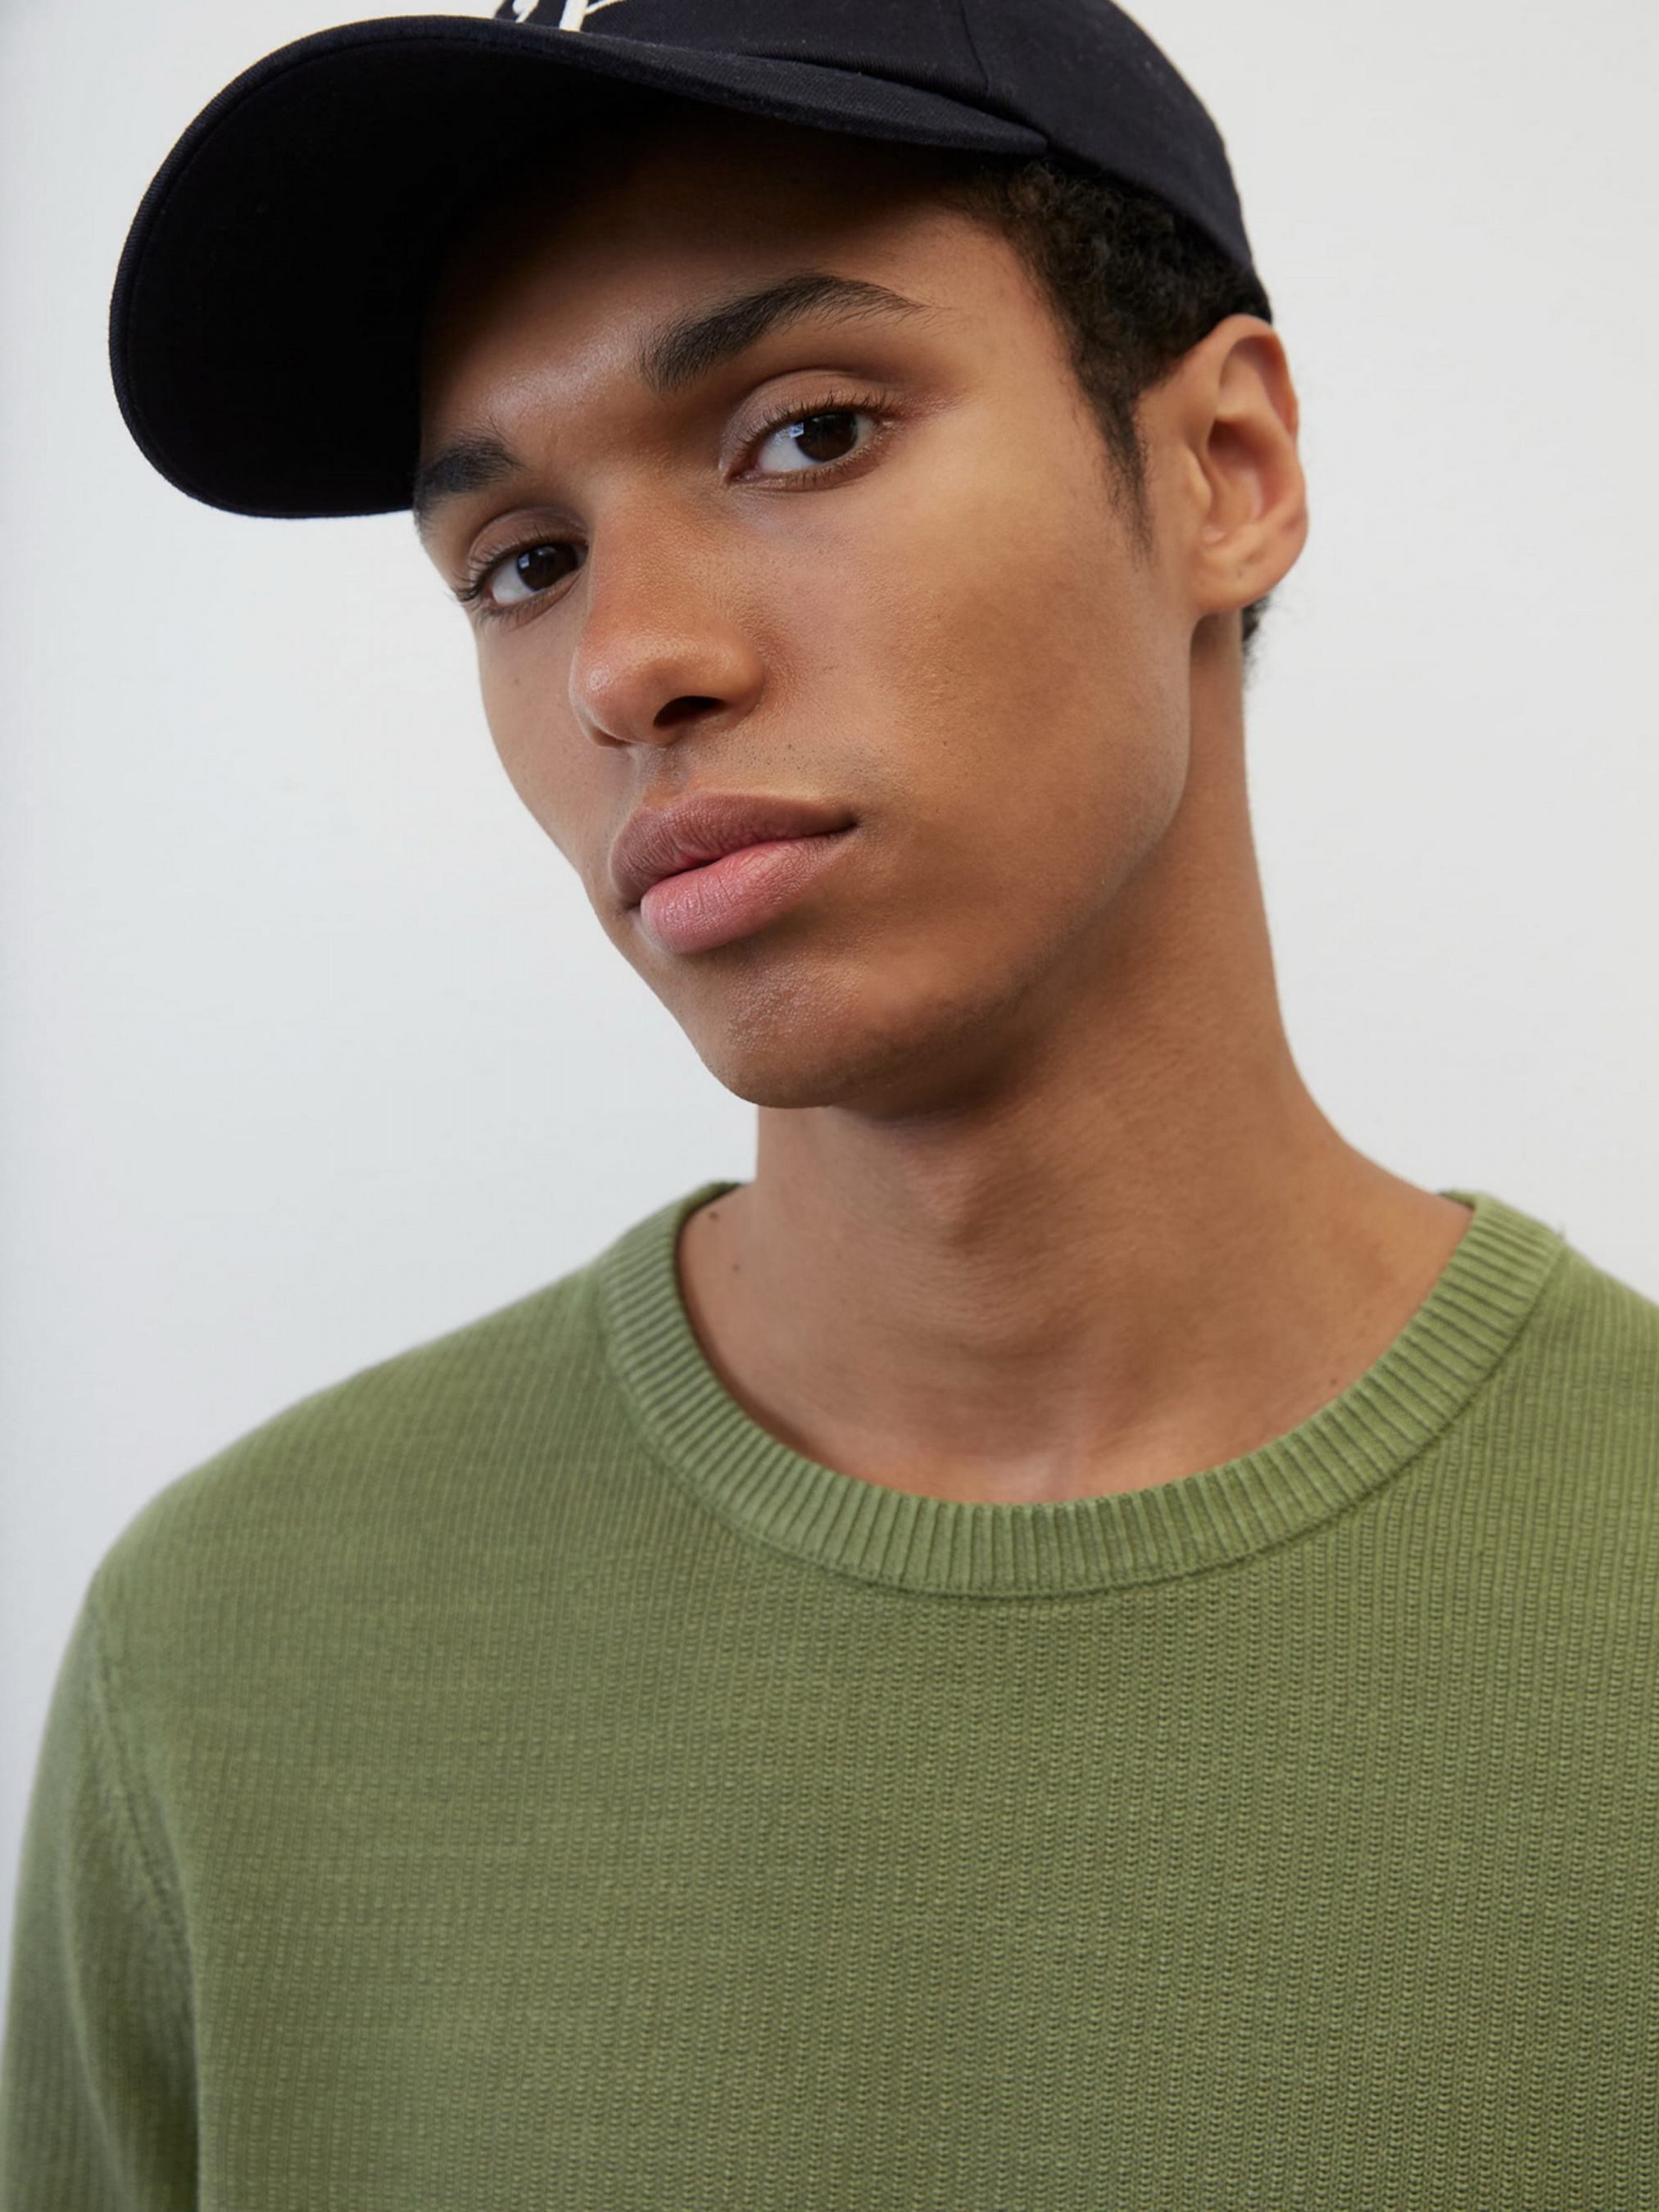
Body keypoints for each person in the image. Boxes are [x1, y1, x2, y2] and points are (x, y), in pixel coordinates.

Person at [5, 1, 1657, 2204]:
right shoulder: (229, 1670)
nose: (629, 664)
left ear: (1224, 472)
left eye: (807, 434)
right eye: (522, 561)